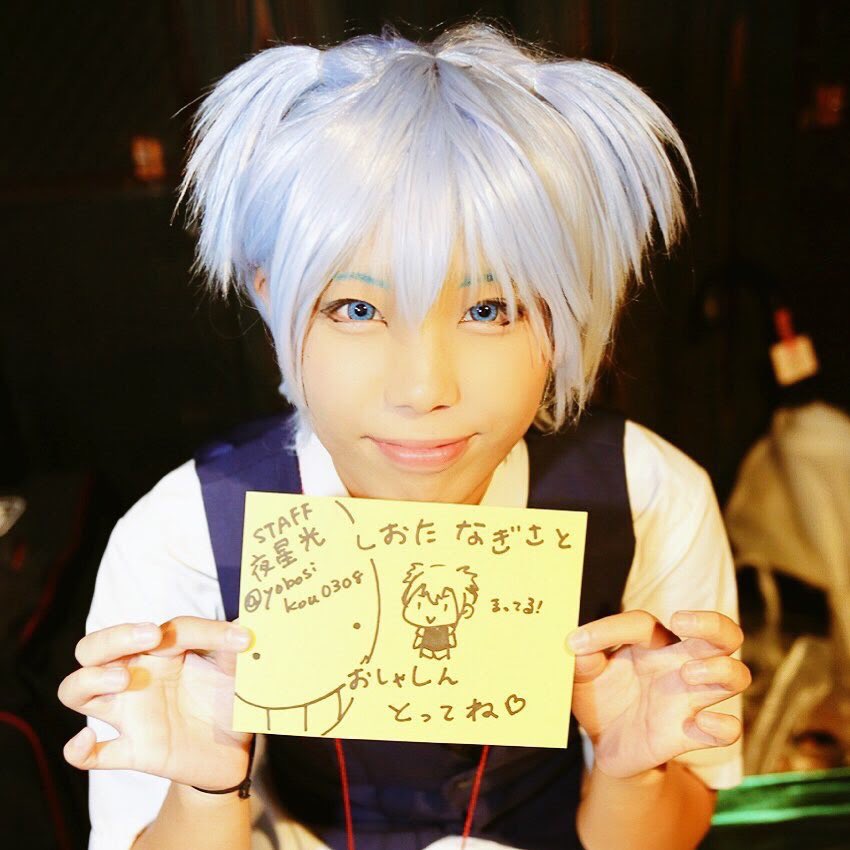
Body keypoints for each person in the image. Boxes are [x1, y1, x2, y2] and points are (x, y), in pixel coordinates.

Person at [58, 21, 750, 850]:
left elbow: (670, 832)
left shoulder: (650, 497)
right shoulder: (184, 532)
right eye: (356, 308)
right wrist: (206, 789)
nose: (424, 391)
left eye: (489, 309)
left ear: (566, 313)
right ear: (272, 296)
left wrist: (632, 771)